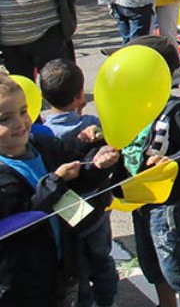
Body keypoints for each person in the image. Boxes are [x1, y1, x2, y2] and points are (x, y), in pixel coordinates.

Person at [0, 73, 118, 306]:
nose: (20, 123)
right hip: (22, 281)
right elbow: (21, 222)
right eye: (5, 118)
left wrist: (97, 165)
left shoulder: (44, 145)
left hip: (64, 263)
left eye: (23, 111)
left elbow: (77, 180)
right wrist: (55, 182)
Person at [117, 36, 180, 307]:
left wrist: (173, 162)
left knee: (173, 260)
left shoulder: (174, 111)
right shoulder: (130, 107)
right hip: (138, 198)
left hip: (167, 203)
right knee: (150, 261)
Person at [38, 59, 117, 307]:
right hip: (97, 211)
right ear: (80, 95)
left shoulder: (42, 133)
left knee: (77, 270)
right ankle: (108, 301)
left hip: (65, 218)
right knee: (102, 261)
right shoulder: (91, 125)